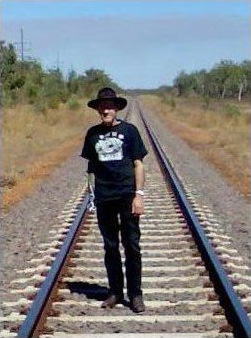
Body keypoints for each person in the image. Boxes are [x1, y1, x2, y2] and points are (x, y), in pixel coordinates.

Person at [80, 87, 148, 313]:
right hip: (104, 197)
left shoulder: (130, 131)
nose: (106, 109)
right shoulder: (92, 134)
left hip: (127, 195)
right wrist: (91, 194)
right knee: (110, 246)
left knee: (132, 245)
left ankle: (135, 294)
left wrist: (139, 195)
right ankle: (115, 292)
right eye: (102, 106)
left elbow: (138, 164)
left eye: (110, 106)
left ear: (117, 108)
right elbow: (91, 169)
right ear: (97, 109)